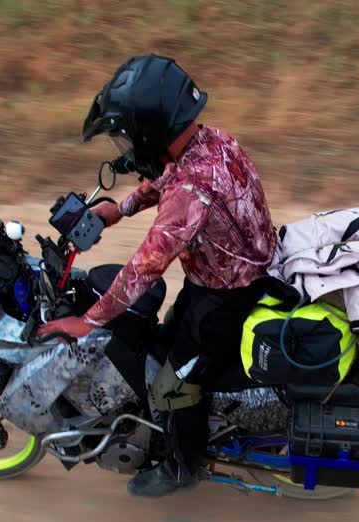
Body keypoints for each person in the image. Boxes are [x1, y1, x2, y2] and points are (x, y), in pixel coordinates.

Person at [36, 54, 279, 499]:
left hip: (227, 297)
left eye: (127, 141)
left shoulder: (191, 190)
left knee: (175, 386)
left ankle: (182, 467)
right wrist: (120, 209)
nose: (126, 152)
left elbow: (145, 266)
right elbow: (167, 176)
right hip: (231, 273)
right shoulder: (212, 141)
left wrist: (88, 321)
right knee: (168, 339)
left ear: (151, 132)